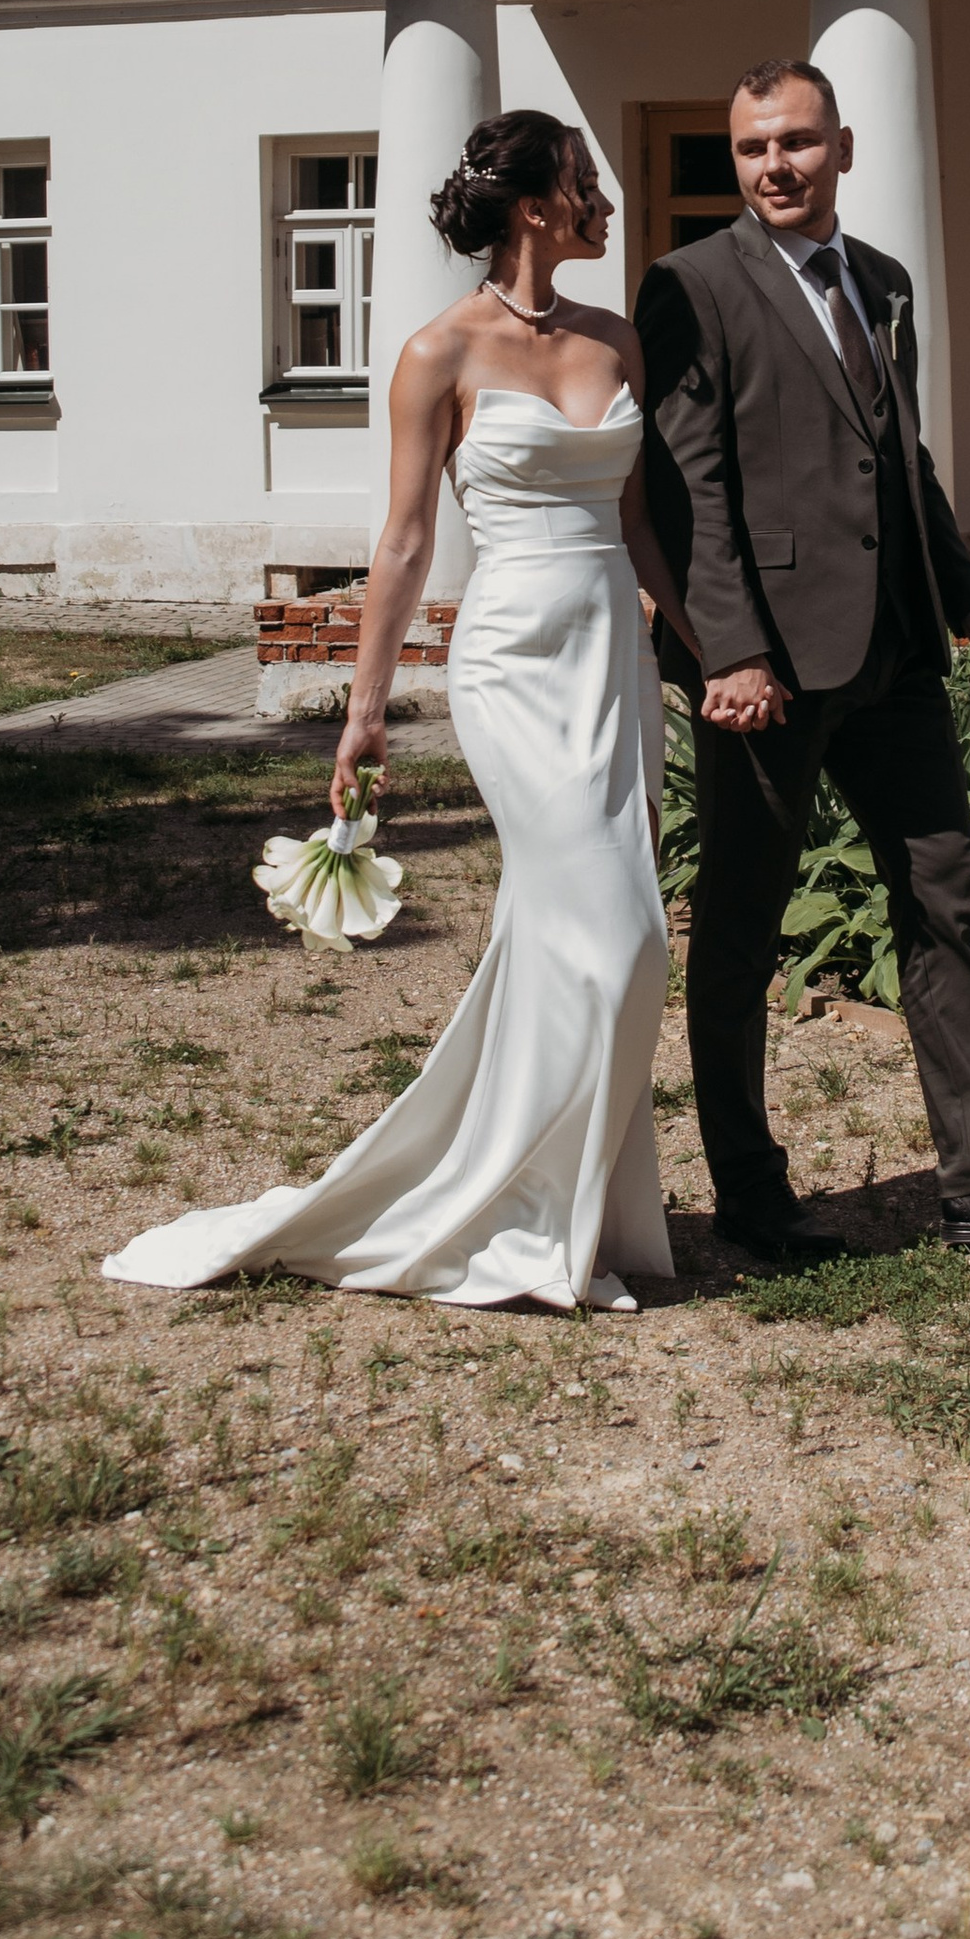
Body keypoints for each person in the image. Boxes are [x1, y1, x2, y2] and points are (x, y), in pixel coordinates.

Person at [103, 111, 687, 1314]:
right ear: (534, 205)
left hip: (614, 666)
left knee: (583, 936)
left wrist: (700, 643)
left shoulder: (617, 339)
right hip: (512, 664)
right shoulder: (437, 351)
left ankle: (562, 1211)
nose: (604, 199)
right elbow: (407, 539)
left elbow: (635, 525)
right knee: (618, 936)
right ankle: (507, 1209)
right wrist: (364, 711)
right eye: (585, 180)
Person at [634, 57, 970, 1267]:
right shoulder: (690, 285)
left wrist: (962, 589)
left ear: (842, 148)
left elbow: (901, 455)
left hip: (896, 651)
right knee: (741, 927)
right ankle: (750, 1194)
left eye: (796, 142)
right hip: (766, 673)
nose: (775, 166)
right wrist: (730, 650)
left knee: (943, 900)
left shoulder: (883, 279)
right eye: (752, 147)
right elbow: (688, 484)